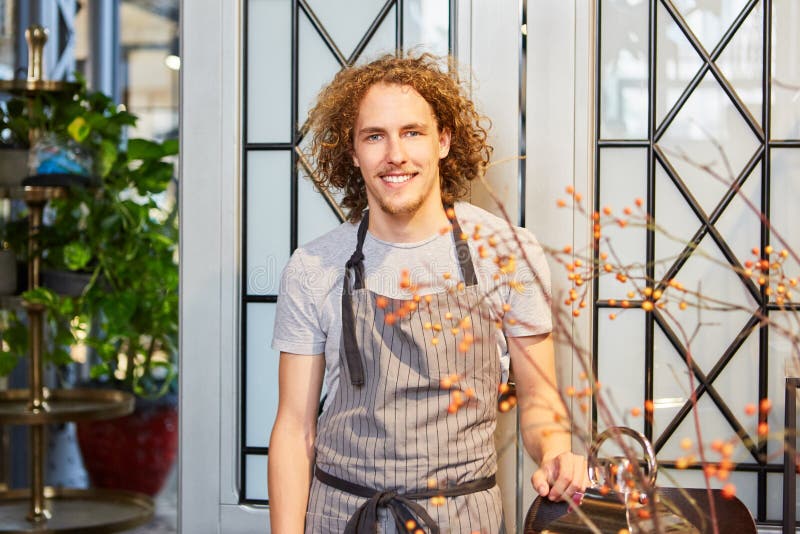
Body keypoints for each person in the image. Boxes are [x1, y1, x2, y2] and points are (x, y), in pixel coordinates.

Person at [268, 53, 587, 534]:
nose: (394, 153)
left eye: (412, 132)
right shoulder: (313, 268)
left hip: (462, 518)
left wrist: (557, 454)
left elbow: (540, 400)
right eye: (374, 136)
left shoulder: (509, 255)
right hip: (341, 517)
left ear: (443, 140)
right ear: (353, 153)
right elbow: (295, 430)